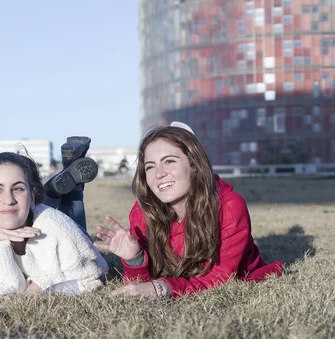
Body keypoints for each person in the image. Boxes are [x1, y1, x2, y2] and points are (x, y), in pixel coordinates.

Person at [94, 122, 283, 298]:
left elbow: (221, 279)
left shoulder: (229, 206)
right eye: (150, 167)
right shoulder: (143, 211)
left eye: (169, 161)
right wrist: (134, 259)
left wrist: (162, 288)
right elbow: (140, 287)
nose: (159, 174)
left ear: (193, 165)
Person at [0, 150, 108, 296]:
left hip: (69, 236)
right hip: (31, 211)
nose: (8, 199)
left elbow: (92, 279)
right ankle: (52, 190)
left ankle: (72, 189)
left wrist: (43, 288)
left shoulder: (54, 226)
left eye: (18, 188)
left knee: (74, 222)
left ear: (32, 197)